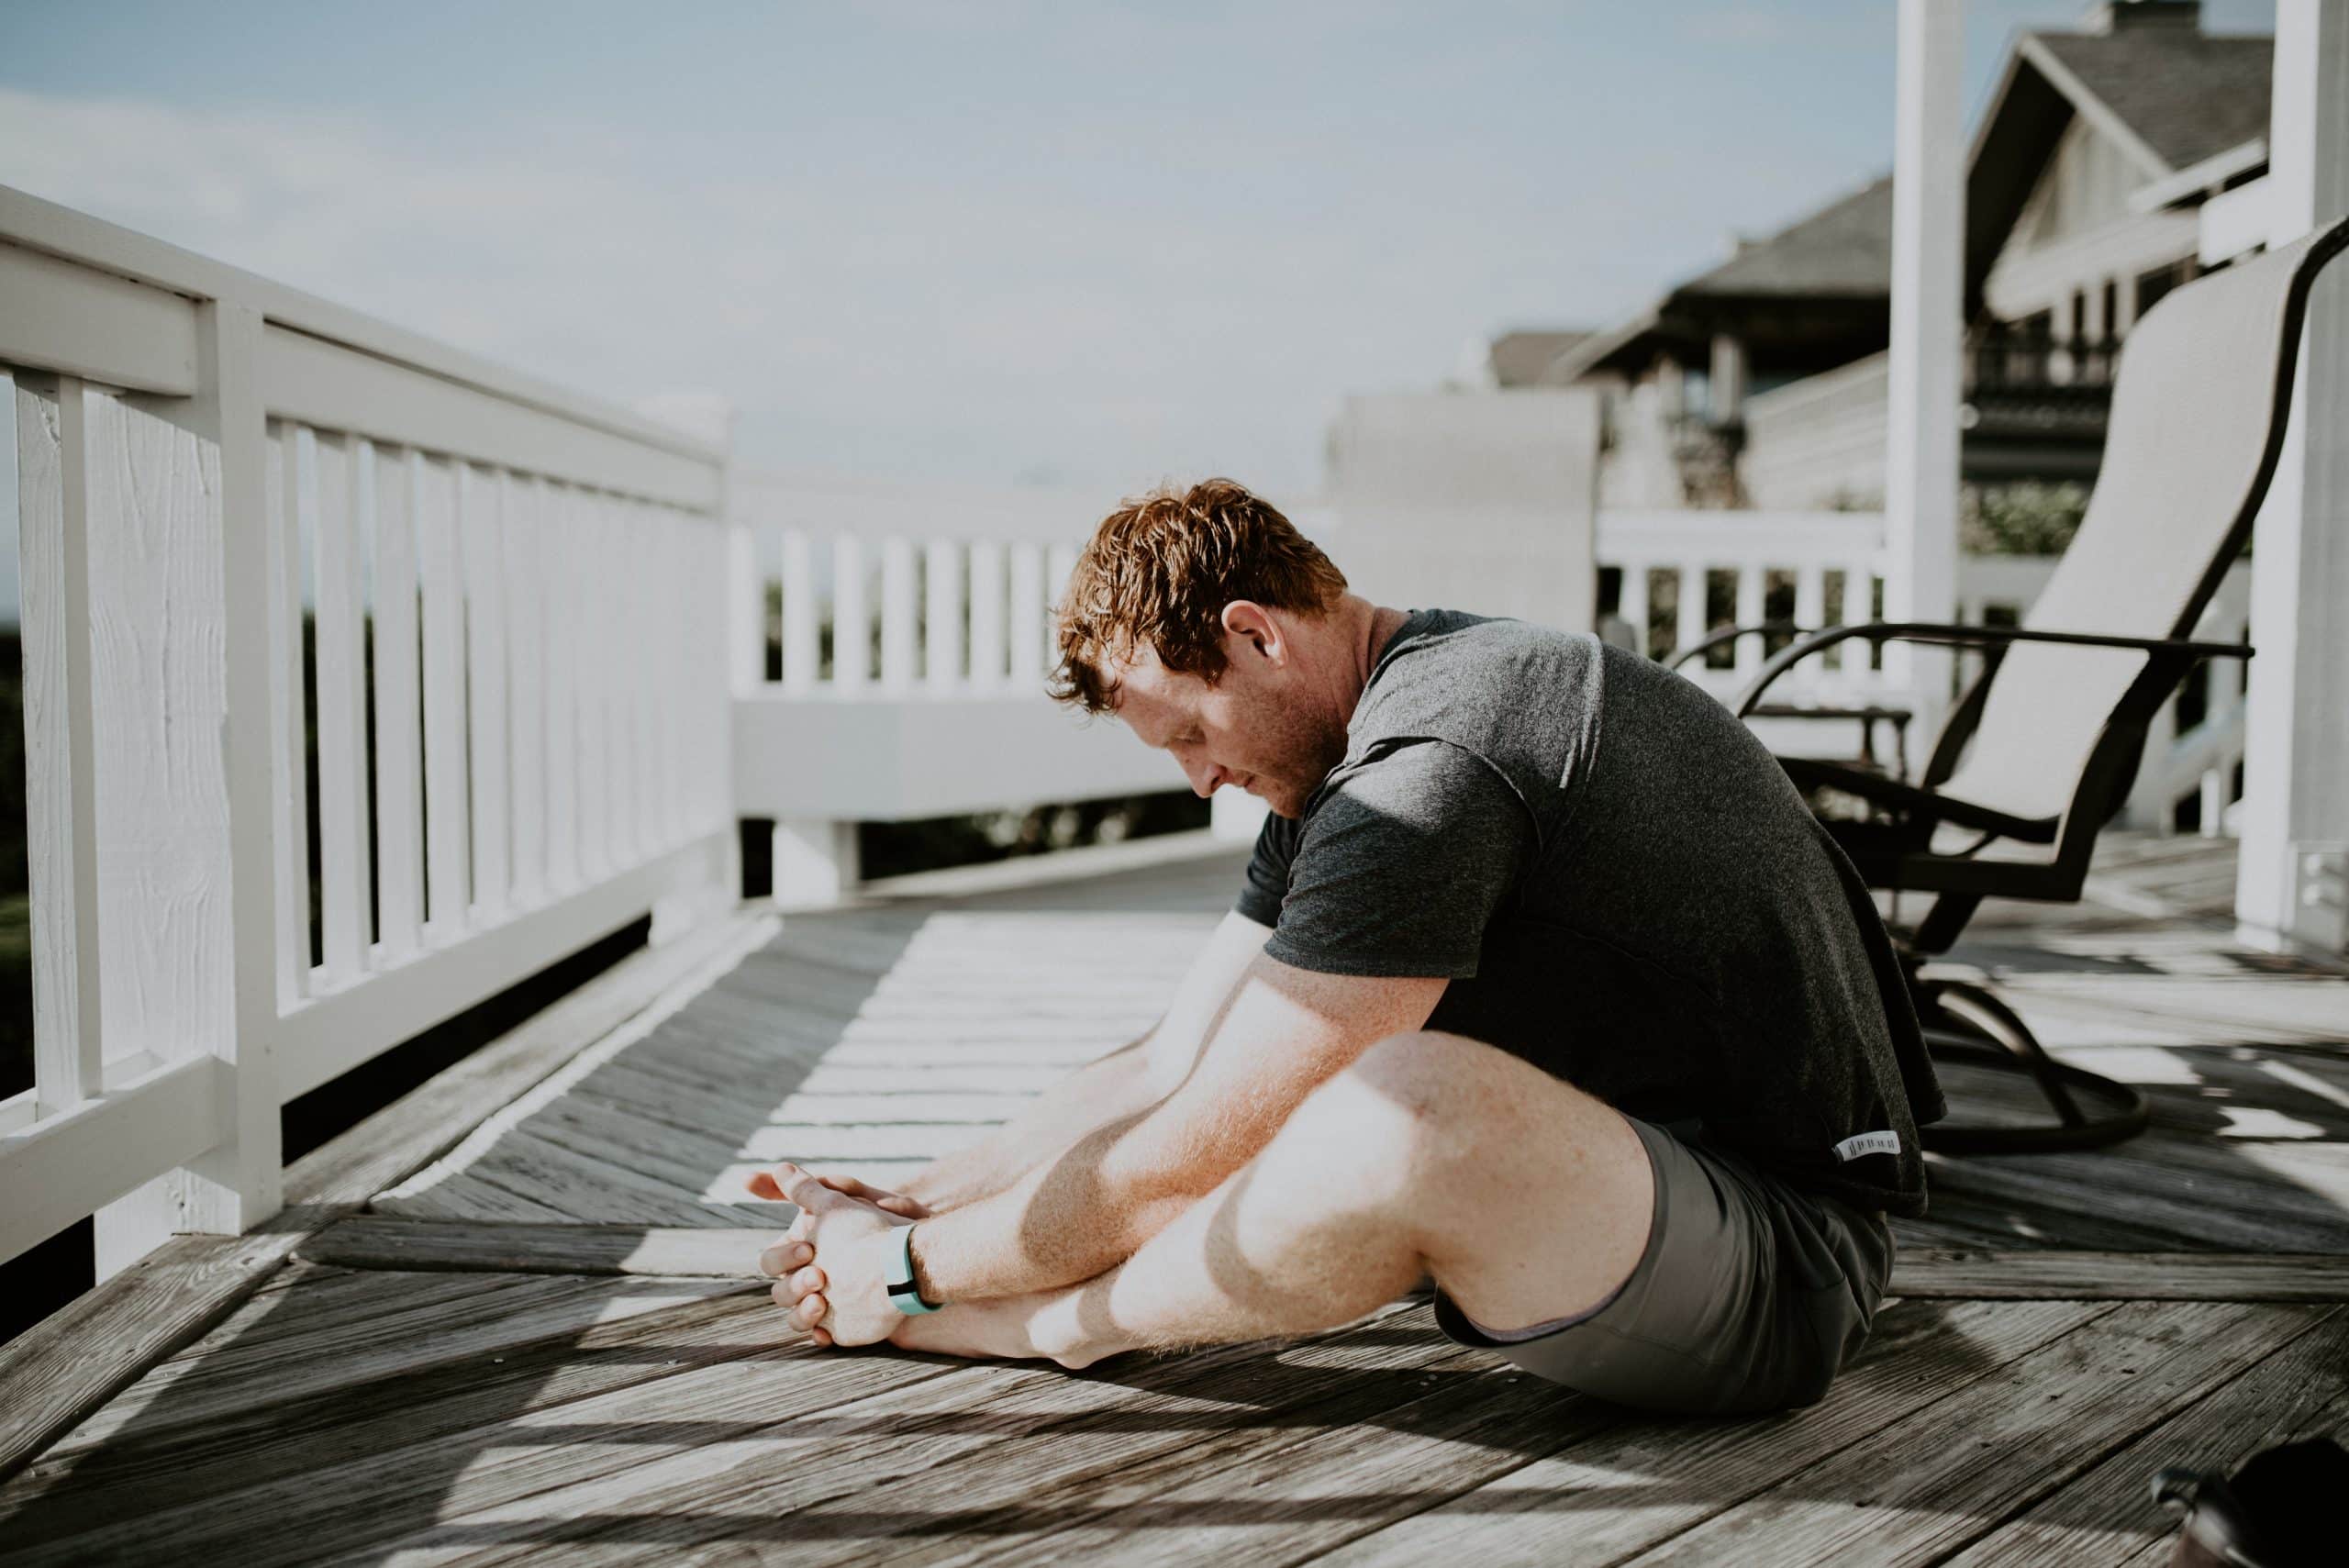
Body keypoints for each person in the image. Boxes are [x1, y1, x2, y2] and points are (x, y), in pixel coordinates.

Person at [751, 477, 1942, 1416]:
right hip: (1622, 1190)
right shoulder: (1347, 760)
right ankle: (987, 1294)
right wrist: (912, 1198)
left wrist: (916, 1275)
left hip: (1786, 1258)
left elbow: (1189, 1151)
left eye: (1189, 733)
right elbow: (1173, 1062)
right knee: (1301, 1087)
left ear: (1255, 635)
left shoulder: (1431, 767)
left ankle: (1050, 1329)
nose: (1200, 777)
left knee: (1395, 1110)